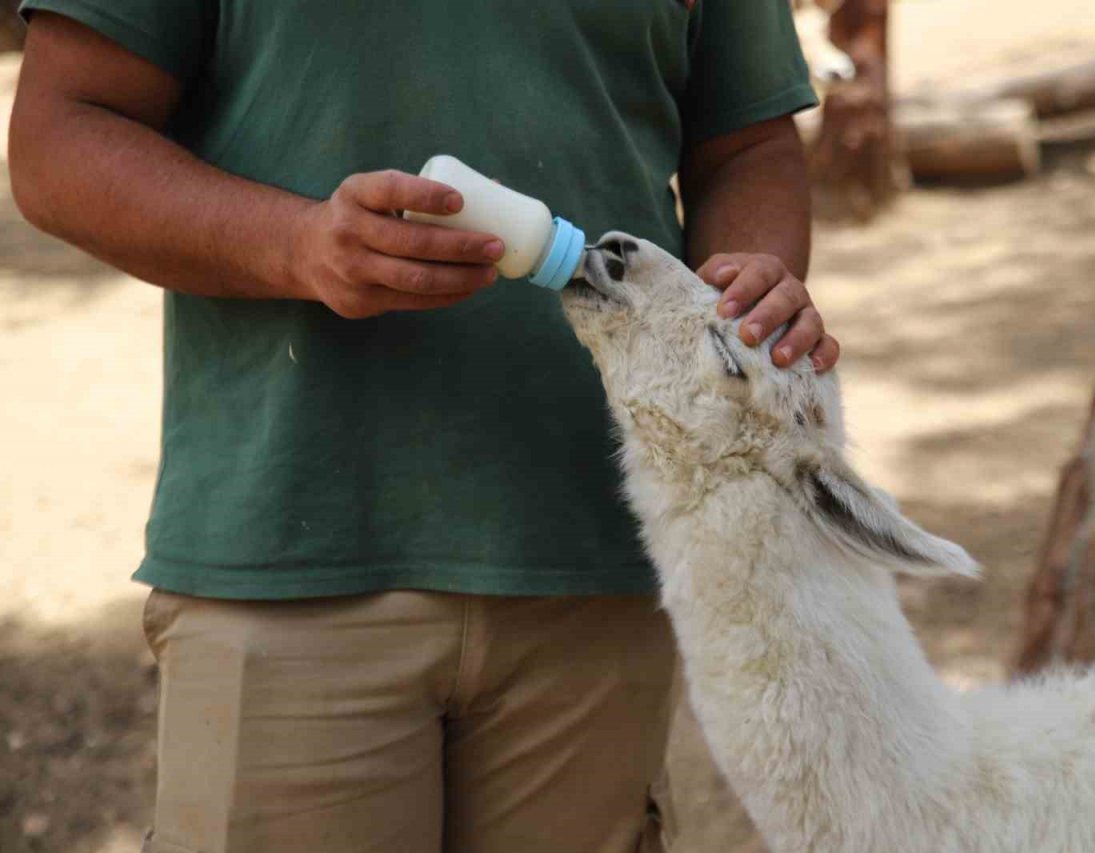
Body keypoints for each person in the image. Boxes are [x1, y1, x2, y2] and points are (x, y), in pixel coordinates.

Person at [9, 2, 839, 851]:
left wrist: (743, 294)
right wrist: (295, 245)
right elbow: (57, 138)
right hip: (289, 559)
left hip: (598, 563)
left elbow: (747, 146)